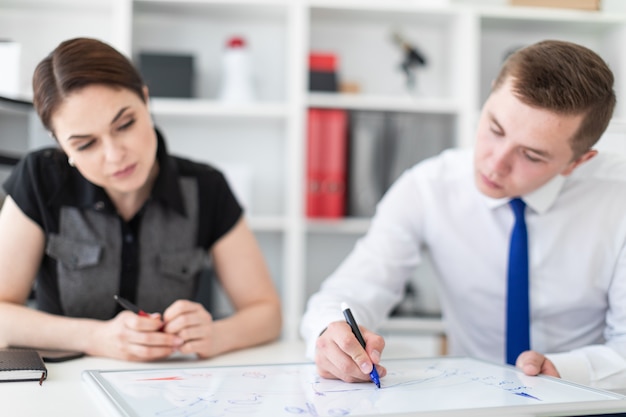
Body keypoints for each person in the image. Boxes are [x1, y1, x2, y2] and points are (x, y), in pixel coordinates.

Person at [301, 39, 626, 390]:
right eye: (495, 129)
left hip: (591, 399)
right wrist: (331, 334)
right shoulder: (428, 186)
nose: (495, 163)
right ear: (489, 98)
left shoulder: (617, 199)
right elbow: (350, 290)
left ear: (578, 162)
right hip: (473, 398)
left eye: (532, 156)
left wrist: (565, 371)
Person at [0, 37, 282, 361]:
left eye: (125, 124)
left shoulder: (206, 187)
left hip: (172, 390)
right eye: (84, 144)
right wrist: (94, 337)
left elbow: (267, 312)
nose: (115, 154)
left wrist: (216, 334)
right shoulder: (39, 179)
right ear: (62, 145)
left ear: (145, 100)